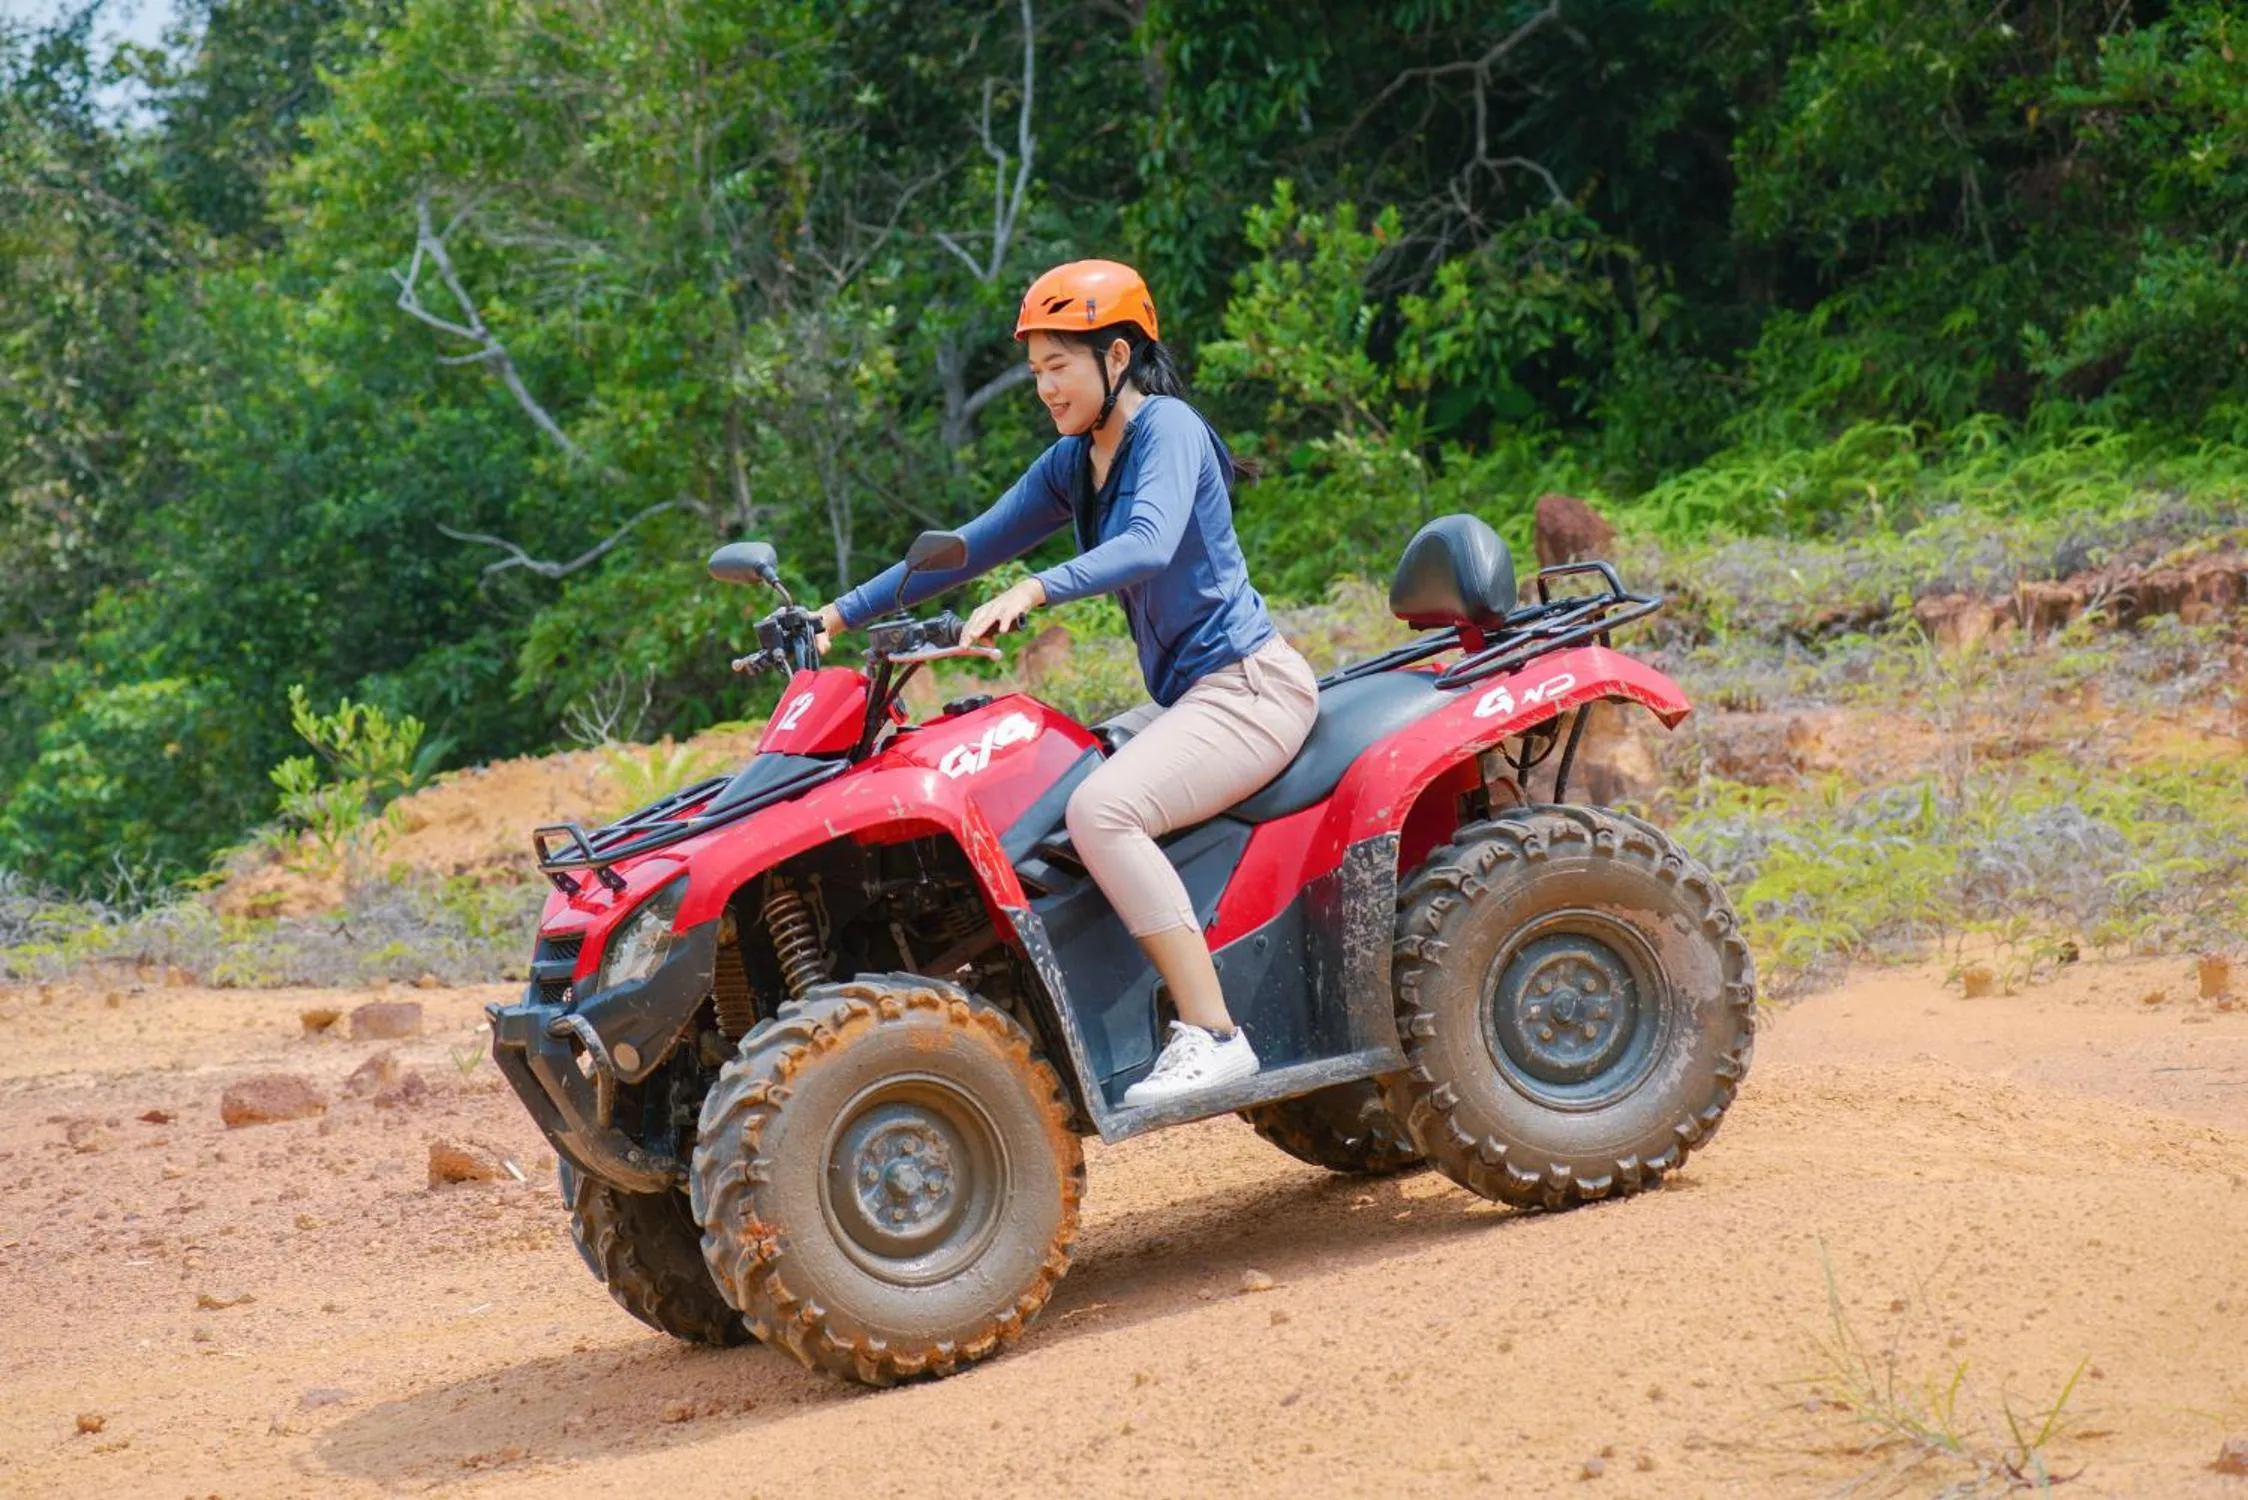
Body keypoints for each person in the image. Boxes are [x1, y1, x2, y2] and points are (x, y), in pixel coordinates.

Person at [816, 259, 1318, 1107]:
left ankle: (1214, 1034)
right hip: (1195, 701)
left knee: (1103, 810)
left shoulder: (1170, 430)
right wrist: (835, 615)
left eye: (1060, 366)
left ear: (1116, 358)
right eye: (1036, 371)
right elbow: (969, 548)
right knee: (1051, 786)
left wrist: (1038, 586)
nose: (1046, 388)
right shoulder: (1072, 461)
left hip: (1249, 687)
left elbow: (1151, 541)